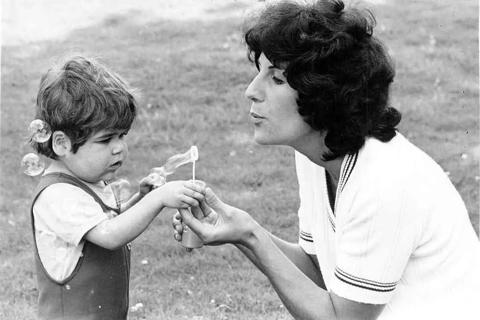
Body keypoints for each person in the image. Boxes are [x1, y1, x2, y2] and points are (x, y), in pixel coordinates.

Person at [173, 1, 480, 319]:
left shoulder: (383, 180)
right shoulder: (316, 152)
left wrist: (249, 236)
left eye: (276, 79)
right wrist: (241, 229)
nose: (251, 91)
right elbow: (319, 272)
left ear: (323, 93)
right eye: (259, 73)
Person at [29, 56, 205, 320]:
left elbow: (109, 224)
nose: (119, 147)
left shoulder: (87, 184)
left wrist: (140, 198)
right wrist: (157, 199)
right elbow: (109, 235)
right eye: (106, 139)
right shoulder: (57, 196)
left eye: (122, 135)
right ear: (62, 144)